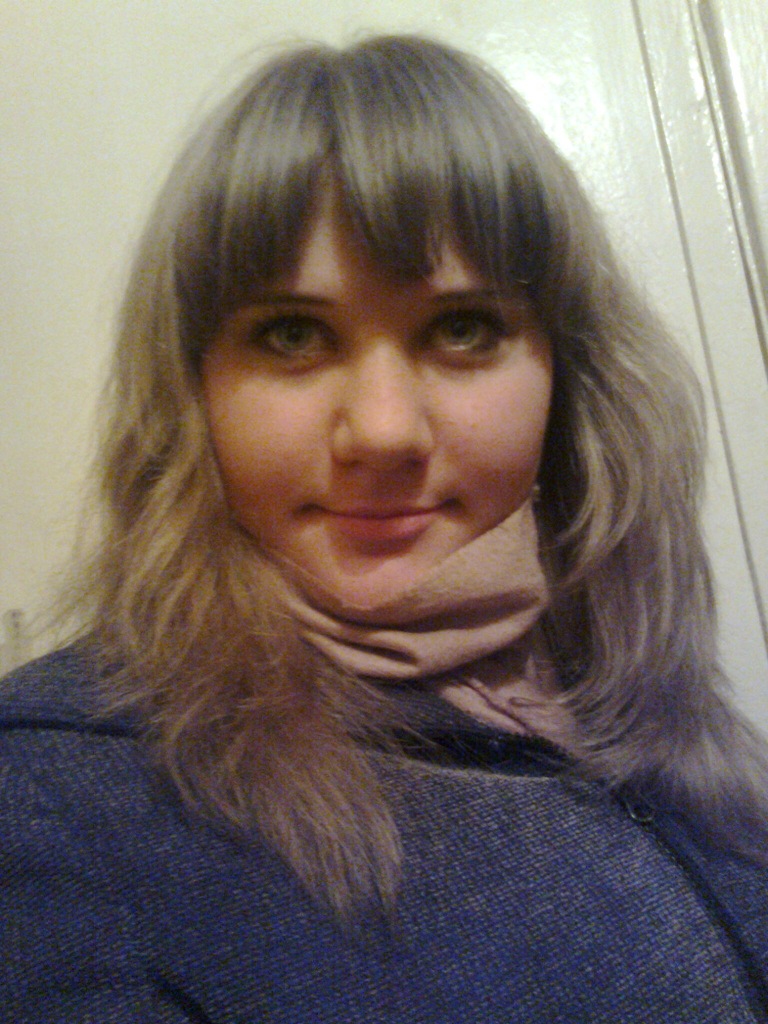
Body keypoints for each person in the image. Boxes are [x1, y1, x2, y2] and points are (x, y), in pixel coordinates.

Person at [2, 34, 768, 1023]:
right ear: (194, 388)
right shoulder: (54, 797)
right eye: (292, 334)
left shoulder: (634, 685)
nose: (384, 431)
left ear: (566, 373)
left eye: (461, 329)